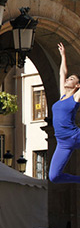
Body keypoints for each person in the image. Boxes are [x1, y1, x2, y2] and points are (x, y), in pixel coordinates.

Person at [49, 43, 80, 185]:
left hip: (75, 136)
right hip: (62, 142)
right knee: (54, 177)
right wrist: (63, 56)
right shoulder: (63, 96)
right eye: (69, 78)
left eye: (72, 79)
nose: (68, 79)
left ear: (77, 86)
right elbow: (62, 72)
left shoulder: (76, 97)